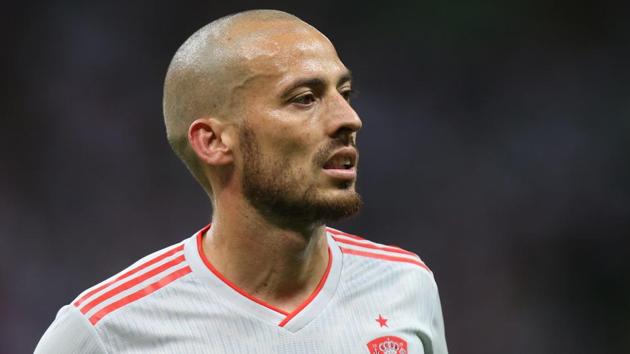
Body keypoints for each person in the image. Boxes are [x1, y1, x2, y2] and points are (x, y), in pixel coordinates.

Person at [35, 9, 448, 354]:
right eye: (305, 98)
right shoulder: (104, 331)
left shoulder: (406, 284)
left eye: (345, 92)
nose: (349, 119)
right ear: (213, 141)